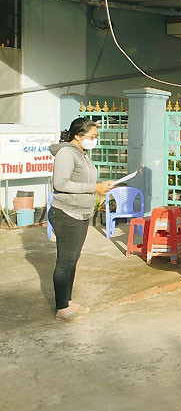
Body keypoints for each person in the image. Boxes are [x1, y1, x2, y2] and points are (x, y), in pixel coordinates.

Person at [49, 117, 115, 322]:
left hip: (82, 212)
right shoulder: (67, 153)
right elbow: (60, 183)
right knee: (65, 261)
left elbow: (82, 180)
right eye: (92, 136)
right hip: (67, 213)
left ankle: (67, 301)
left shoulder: (82, 153)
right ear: (78, 135)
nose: (94, 140)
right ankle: (61, 308)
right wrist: (93, 188)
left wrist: (100, 187)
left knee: (73, 260)